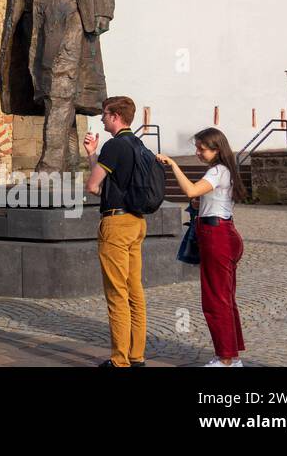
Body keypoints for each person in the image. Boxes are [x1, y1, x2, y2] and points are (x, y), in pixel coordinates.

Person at [157, 129, 247, 367]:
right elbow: (202, 197)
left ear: (216, 149)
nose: (197, 152)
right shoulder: (223, 171)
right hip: (221, 232)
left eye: (202, 149)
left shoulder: (218, 170)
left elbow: (191, 191)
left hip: (217, 236)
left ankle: (227, 358)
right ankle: (230, 354)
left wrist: (173, 165)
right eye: (197, 148)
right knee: (224, 298)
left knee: (216, 300)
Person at [83, 95, 146, 368]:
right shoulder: (138, 144)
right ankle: (137, 356)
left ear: (115, 116)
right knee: (135, 291)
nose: (102, 118)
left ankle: (119, 360)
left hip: (116, 224)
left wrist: (96, 160)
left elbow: (94, 187)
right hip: (137, 222)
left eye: (104, 114)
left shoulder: (114, 146)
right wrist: (92, 156)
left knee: (116, 293)